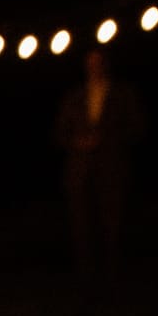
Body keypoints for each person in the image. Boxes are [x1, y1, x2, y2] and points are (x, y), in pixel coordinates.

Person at [54, 50, 143, 280]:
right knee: (82, 225)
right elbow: (60, 133)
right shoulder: (74, 97)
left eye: (98, 63)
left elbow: (136, 129)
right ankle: (86, 276)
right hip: (80, 171)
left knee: (112, 223)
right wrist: (79, 142)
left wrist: (106, 140)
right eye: (90, 64)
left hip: (111, 169)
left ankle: (114, 274)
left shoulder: (122, 94)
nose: (94, 68)